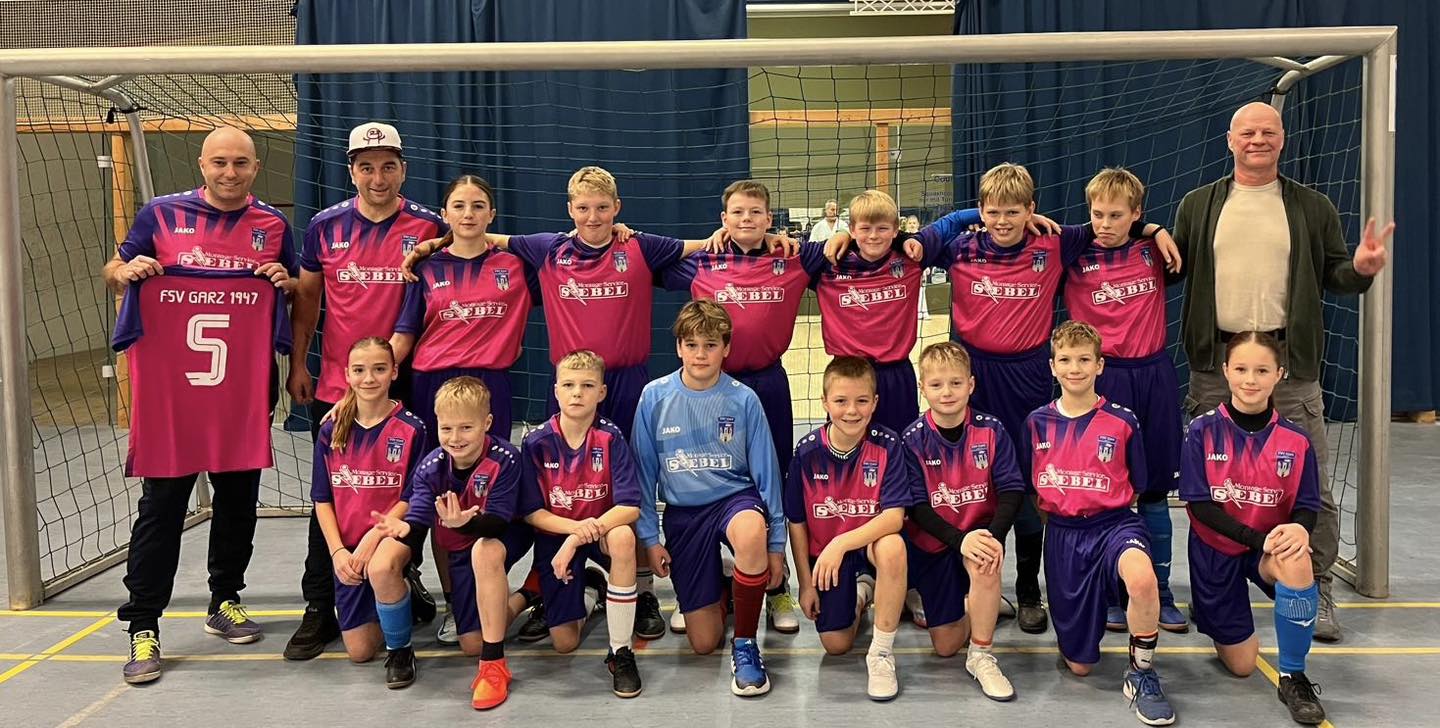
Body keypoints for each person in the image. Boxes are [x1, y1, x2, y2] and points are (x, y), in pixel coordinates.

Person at [897, 163, 1176, 634]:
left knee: (1028, 482)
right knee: (960, 478)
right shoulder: (961, 245)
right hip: (972, 371)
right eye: (992, 212)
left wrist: (1155, 228)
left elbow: (1112, 225)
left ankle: (1028, 589)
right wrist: (968, 216)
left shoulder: (1056, 243)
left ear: (1031, 210)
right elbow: (920, 239)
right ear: (980, 211)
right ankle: (949, 579)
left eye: (1013, 212)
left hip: (1027, 374)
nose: (1002, 221)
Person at [1173, 101, 1392, 642]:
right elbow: (1173, 267)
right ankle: (1215, 587)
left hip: (1289, 366)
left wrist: (1360, 268)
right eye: (1247, 132)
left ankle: (1314, 586)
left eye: (1268, 132)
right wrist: (1150, 231)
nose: (1258, 140)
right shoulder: (1198, 205)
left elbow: (1337, 272)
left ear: (1283, 139)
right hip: (1215, 365)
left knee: (1310, 482)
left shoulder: (1312, 207)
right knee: (1210, 486)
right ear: (1230, 140)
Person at [103, 126, 295, 685]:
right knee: (161, 508)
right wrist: (126, 273)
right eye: (220, 162)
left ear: (255, 167)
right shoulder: (160, 215)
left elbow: (295, 290)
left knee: (238, 503)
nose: (230, 172)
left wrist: (282, 282)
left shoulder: (272, 226)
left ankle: (224, 599)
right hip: (173, 399)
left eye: (241, 163)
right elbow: (114, 271)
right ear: (202, 164)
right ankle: (143, 623)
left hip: (241, 393)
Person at [286, 122, 444, 660]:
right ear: (351, 171)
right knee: (335, 496)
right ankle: (319, 605)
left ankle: (400, 576)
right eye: (367, 167)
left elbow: (431, 301)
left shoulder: (428, 226)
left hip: (406, 383)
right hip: (340, 385)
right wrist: (300, 363)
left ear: (403, 169)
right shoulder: (324, 226)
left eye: (389, 166)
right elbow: (308, 300)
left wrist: (387, 369)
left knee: (411, 491)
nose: (379, 177)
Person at [658, 179, 836, 634]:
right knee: (706, 475)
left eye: (756, 212)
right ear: (723, 219)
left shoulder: (792, 257)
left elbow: (846, 244)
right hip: (710, 387)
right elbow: (644, 258)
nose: (746, 219)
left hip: (767, 384)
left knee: (772, 478)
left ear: (769, 218)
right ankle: (699, 583)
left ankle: (777, 586)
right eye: (737, 212)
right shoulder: (703, 260)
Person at [389, 175, 537, 646]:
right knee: (442, 499)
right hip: (434, 385)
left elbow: (569, 249)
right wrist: (360, 390)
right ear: (444, 214)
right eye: (459, 205)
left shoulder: (516, 264)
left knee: (490, 495)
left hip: (491, 383)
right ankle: (457, 603)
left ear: (492, 214)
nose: (468, 214)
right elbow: (405, 334)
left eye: (478, 206)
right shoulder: (427, 267)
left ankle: (489, 590)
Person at [632, 300, 787, 696]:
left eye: (711, 345)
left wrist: (775, 545)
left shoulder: (743, 399)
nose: (701, 354)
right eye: (692, 345)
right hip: (684, 513)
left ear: (726, 348)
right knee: (703, 643)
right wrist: (649, 539)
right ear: (678, 347)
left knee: (750, 532)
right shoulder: (654, 397)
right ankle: (727, 587)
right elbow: (643, 476)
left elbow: (768, 475)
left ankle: (746, 645)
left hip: (734, 500)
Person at [1023, 321, 1174, 726]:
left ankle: (1142, 671)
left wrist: (1101, 507)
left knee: (1141, 579)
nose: (1075, 368)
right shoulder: (1036, 422)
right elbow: (1033, 488)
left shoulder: (1123, 421)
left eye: (1084, 359)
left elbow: (1137, 485)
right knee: (1080, 666)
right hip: (1064, 536)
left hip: (1115, 525)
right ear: (1052, 366)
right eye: (1065, 360)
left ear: (1100, 365)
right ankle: (1093, 611)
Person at [1062, 168, 1188, 634]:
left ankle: (1161, 589)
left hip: (1153, 376)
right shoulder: (1074, 253)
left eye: (1116, 215)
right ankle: (1111, 591)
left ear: (1136, 214)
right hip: (1103, 379)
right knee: (1105, 490)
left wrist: (1154, 231)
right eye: (1097, 214)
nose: (1105, 223)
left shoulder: (1154, 250)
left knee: (1154, 490)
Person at [1181, 331, 1327, 725]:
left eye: (1262, 370)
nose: (1250, 379)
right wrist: (1258, 540)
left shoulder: (1296, 439)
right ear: (1226, 371)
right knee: (1243, 665)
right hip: (1217, 550)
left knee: (1297, 559)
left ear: (1279, 374)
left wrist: (1299, 530)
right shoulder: (1201, 431)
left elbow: (1307, 506)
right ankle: (1212, 610)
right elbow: (1200, 506)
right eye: (1242, 369)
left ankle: (1293, 676)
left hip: (1267, 548)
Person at [377, 377, 535, 710]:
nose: (455, 438)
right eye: (446, 428)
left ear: (486, 423)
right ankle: (530, 593)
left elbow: (498, 522)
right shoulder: (431, 467)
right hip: (465, 538)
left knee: (485, 549)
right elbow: (419, 515)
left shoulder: (506, 457)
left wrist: (466, 523)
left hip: (508, 532)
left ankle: (493, 666)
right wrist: (404, 528)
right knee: (470, 643)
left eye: (466, 428)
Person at [786, 356, 914, 701]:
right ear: (825, 402)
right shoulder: (807, 452)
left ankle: (881, 653)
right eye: (841, 401)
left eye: (861, 401)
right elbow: (796, 521)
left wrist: (840, 543)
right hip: (829, 560)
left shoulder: (888, 445)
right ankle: (862, 593)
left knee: (893, 546)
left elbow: (894, 517)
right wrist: (805, 584)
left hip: (866, 546)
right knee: (836, 644)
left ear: (875, 402)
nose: (852, 411)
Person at [518, 350, 644, 698]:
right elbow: (532, 513)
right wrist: (573, 532)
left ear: (601, 392)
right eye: (569, 385)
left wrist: (581, 535)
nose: (577, 393)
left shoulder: (611, 437)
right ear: (556, 390)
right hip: (557, 535)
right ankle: (590, 590)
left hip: (600, 531)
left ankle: (620, 651)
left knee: (623, 537)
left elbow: (629, 507)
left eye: (587, 386)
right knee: (564, 643)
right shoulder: (536, 442)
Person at [901, 342, 1020, 701]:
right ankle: (982, 605)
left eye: (955, 383)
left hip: (978, 535)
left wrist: (992, 537)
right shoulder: (912, 440)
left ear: (971, 384)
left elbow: (1012, 489)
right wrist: (959, 540)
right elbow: (917, 507)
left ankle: (982, 655)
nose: (947, 392)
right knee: (945, 646)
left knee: (985, 558)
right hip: (936, 544)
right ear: (923, 388)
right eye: (936, 384)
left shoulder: (991, 430)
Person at [310, 338, 427, 688]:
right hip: (348, 545)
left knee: (380, 566)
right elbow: (322, 499)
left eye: (379, 369)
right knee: (359, 651)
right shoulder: (331, 429)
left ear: (394, 372)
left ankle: (400, 651)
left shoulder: (412, 428)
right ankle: (403, 595)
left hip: (393, 532)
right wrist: (337, 552)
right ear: (347, 374)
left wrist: (374, 537)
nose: (369, 378)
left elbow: (413, 496)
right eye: (359, 370)